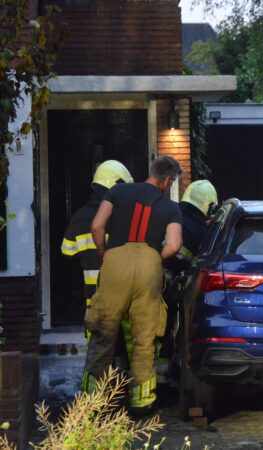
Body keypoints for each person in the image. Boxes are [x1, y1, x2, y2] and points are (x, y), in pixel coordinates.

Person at [82, 156, 183, 416]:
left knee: (103, 333)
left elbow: (97, 225)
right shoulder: (171, 208)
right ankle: (142, 403)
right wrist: (153, 258)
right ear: (168, 180)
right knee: (144, 338)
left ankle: (92, 403)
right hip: (149, 268)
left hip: (115, 264)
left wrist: (105, 252)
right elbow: (173, 245)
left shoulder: (118, 191)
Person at [62, 160, 135, 370]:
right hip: (121, 293)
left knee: (96, 351)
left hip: (92, 297)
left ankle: (95, 397)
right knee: (120, 345)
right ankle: (119, 388)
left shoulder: (78, 217)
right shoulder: (120, 216)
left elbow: (66, 252)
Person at [160, 180, 218, 384]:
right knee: (164, 334)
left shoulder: (169, 214)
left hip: (143, 280)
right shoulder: (202, 232)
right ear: (209, 205)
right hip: (167, 290)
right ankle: (162, 381)